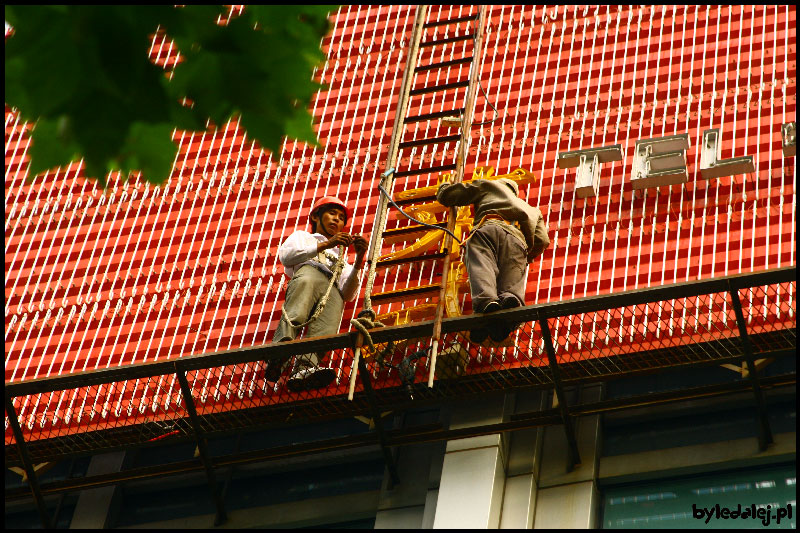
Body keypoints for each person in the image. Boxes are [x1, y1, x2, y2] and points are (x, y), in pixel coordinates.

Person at [266, 196, 368, 392]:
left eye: (340, 217)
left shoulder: (342, 260)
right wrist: (326, 244)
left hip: (331, 286)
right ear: (315, 216)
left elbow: (348, 294)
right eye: (331, 213)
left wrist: (358, 260)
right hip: (309, 274)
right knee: (304, 290)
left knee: (331, 315)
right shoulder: (304, 238)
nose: (336, 219)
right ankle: (280, 350)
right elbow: (287, 257)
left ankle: (305, 368)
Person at [436, 177, 550, 342]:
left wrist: (443, 190)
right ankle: (510, 302)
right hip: (517, 241)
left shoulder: (491, 186)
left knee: (482, 263)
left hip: (489, 227)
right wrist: (526, 256)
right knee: (511, 282)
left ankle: (486, 302)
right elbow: (543, 240)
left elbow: (457, 194)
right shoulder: (532, 210)